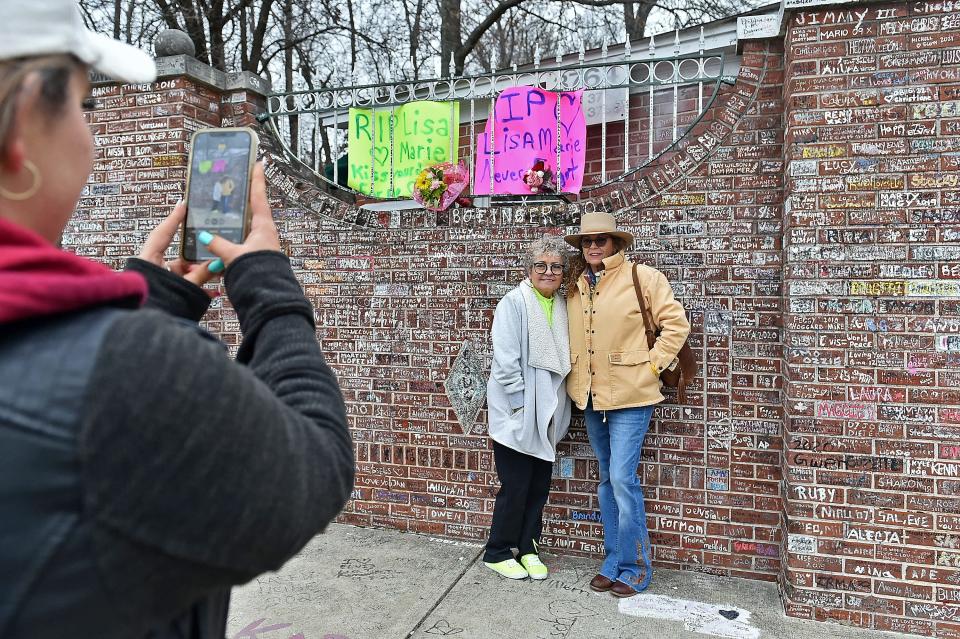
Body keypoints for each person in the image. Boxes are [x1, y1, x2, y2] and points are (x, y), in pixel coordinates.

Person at [0, 2, 354, 638]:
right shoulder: (125, 373)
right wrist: (268, 284)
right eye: (83, 107)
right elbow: (312, 467)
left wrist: (151, 302)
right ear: (25, 125)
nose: (88, 135)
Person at [563, 212, 690, 597]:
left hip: (632, 395)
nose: (594, 246)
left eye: (601, 240)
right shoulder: (575, 284)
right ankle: (612, 560)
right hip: (589, 395)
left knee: (622, 478)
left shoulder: (643, 277)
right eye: (587, 241)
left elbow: (676, 325)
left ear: (616, 243)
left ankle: (635, 566)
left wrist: (651, 364)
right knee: (606, 479)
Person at [483, 235, 572, 581]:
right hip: (518, 413)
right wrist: (520, 406)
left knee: (539, 486)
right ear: (529, 269)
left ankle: (529, 548)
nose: (548, 272)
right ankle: (498, 551)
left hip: (547, 413)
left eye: (555, 266)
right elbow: (505, 362)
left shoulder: (562, 305)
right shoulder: (514, 303)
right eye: (541, 265)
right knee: (515, 485)